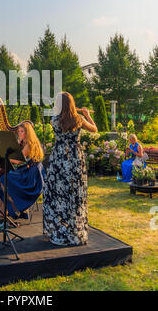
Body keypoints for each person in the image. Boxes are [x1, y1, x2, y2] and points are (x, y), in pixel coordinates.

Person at [43, 92, 98, 247]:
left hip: (59, 159)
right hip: (74, 159)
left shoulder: (54, 120)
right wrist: (87, 114)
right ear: (72, 104)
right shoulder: (78, 120)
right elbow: (94, 129)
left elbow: (58, 114)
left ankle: (59, 230)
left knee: (59, 194)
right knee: (74, 194)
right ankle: (73, 231)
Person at [0, 122, 45, 220]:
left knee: (5, 179)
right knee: (5, 178)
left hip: (32, 176)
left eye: (22, 131)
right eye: (18, 131)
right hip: (27, 170)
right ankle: (4, 209)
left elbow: (17, 160)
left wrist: (3, 157)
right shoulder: (25, 142)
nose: (20, 133)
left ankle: (11, 209)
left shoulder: (30, 144)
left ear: (28, 133)